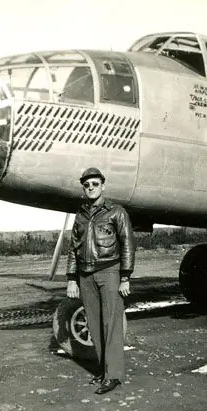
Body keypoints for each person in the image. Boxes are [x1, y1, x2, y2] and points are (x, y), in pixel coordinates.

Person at [66, 167, 135, 395]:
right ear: (83, 188)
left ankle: (113, 375)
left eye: (95, 184)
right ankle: (104, 370)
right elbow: (73, 250)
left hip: (110, 272)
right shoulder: (81, 216)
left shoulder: (116, 212)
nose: (91, 188)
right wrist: (71, 279)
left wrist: (125, 277)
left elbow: (127, 245)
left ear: (103, 185)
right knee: (95, 325)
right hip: (85, 276)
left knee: (111, 324)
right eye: (87, 185)